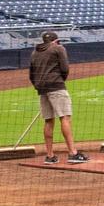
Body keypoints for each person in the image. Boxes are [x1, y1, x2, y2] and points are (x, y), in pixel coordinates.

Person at [30, 31, 84, 164]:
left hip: (42, 89)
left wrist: (38, 85)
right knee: (65, 117)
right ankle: (72, 153)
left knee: (48, 121)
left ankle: (50, 155)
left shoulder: (35, 52)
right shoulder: (58, 48)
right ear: (55, 40)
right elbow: (65, 68)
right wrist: (60, 81)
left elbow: (31, 74)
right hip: (56, 85)